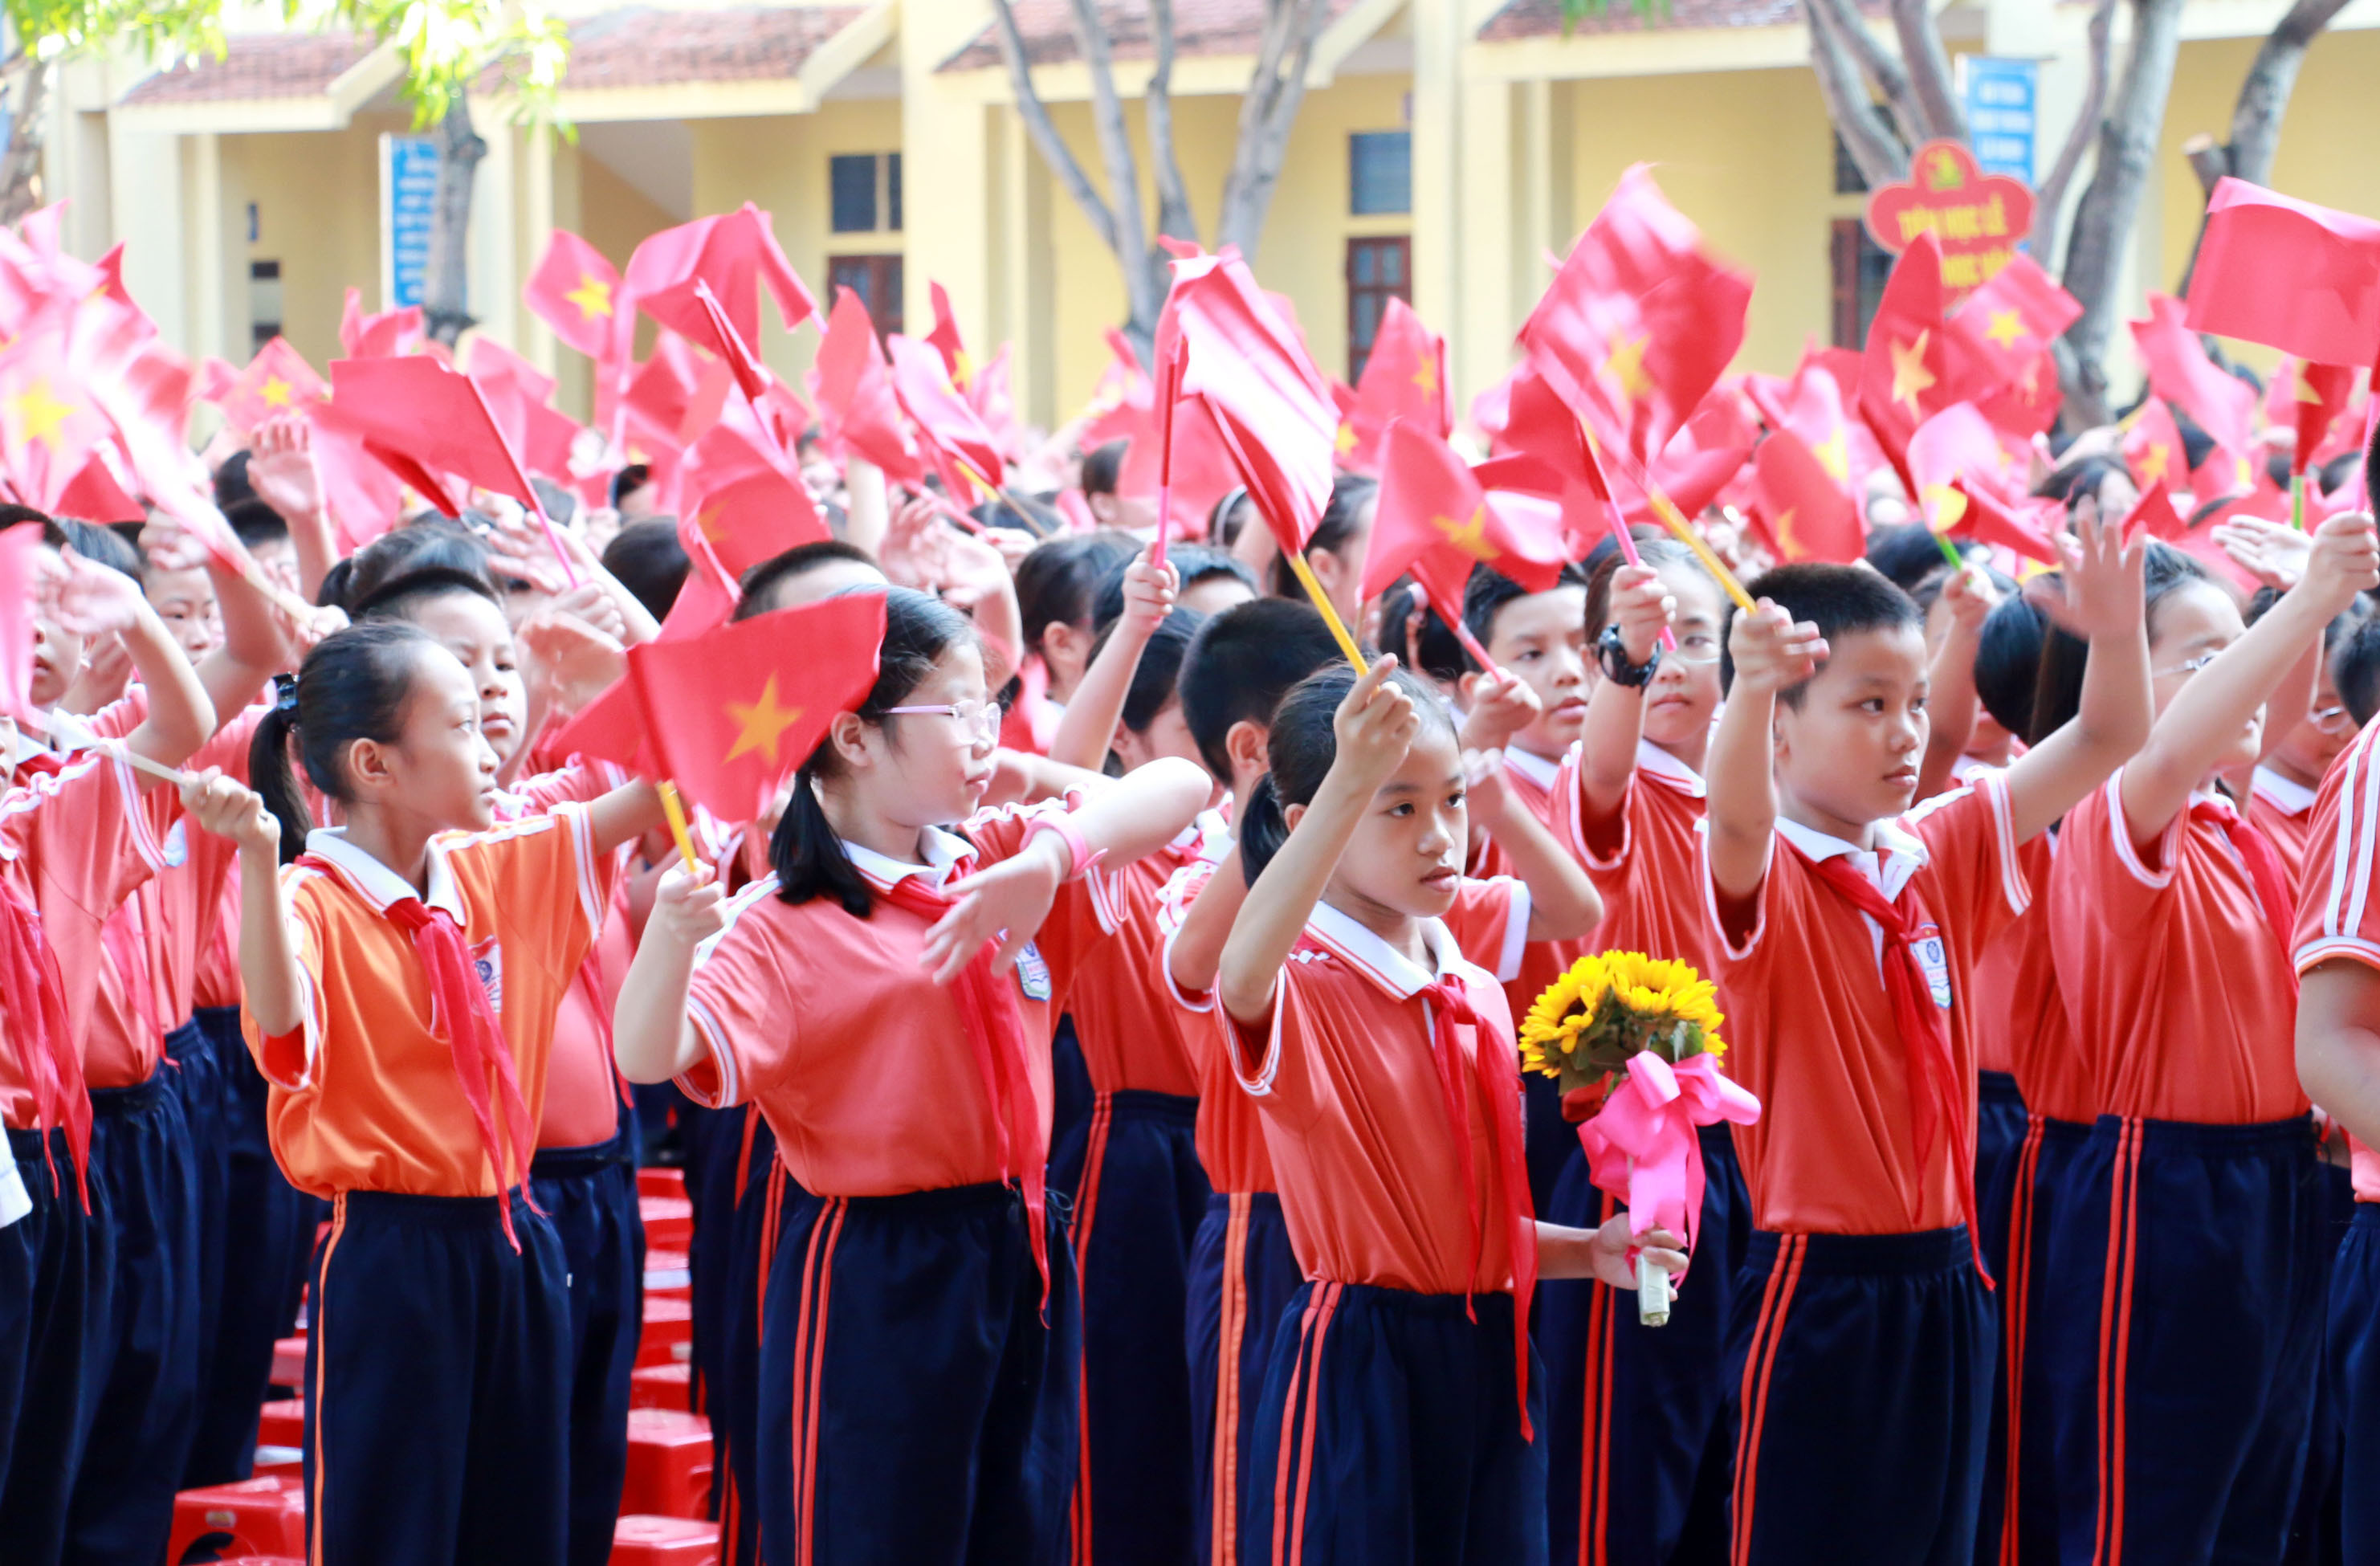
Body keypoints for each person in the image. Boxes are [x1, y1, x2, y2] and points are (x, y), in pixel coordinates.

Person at [613, 587, 1210, 1563]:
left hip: (1016, 1238)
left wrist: (1047, 843)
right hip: (876, 1268)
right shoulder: (784, 921)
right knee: (877, 1532)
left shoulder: (996, 863)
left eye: (992, 706)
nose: (984, 734)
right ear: (853, 738)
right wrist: (669, 944)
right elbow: (652, 1056)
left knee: (1016, 1523)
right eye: (959, 712)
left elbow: (1182, 790)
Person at [1702, 503, 2149, 1566]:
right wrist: (1751, 678)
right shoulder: (1765, 876)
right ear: (1778, 726)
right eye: (1869, 704)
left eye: (1913, 702)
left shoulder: (1933, 849)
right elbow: (1732, 817)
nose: (1907, 732)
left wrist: (2117, 629)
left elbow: (2108, 739)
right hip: (1816, 1286)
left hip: (1949, 1272)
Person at [185, 619, 664, 1566]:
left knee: (523, 1519)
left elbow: (671, 777)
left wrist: (659, 669)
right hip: (392, 1255)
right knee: (391, 1527)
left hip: (515, 1233)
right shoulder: (308, 901)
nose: (494, 753)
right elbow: (279, 1016)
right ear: (374, 763)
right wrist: (255, 858)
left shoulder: (499, 864)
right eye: (461, 728)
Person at [1214, 659, 1669, 1564]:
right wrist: (1347, 780)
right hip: (1362, 1368)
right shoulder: (1304, 982)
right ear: (1316, 824)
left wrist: (1590, 1252)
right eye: (1399, 807)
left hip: (1490, 1347)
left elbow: (1462, 1228)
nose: (1440, 838)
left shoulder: (1467, 984)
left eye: (1453, 801)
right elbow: (1238, 976)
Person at [2039, 516, 2378, 1566]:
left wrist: (2310, 606)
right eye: (2205, 652)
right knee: (2154, 1511)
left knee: (2261, 1501)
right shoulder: (2115, 816)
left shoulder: (2246, 821)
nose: (2240, 670)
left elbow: (2261, 722)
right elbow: (2179, 738)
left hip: (2279, 1182)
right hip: (2168, 1191)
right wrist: (2312, 602)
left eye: (2243, 641)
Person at [0, 535, 217, 1560]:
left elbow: (186, 723)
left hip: (47, 1154)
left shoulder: (54, 794)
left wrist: (133, 613)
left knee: (44, 1454)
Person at [1540, 536, 1748, 1566]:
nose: (1671, 663)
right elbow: (1605, 761)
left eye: (1694, 640)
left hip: (1745, 1154)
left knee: (1722, 1457)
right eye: (1641, 647)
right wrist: (1626, 650)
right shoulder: (1602, 790)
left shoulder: (1752, 801)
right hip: (1634, 1162)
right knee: (1626, 1469)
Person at [1165, 597, 1347, 1564]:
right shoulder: (1207, 870)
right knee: (1254, 1500)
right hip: (1266, 1220)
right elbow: (1202, 965)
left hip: (1369, 1245)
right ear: (1256, 751)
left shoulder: (1391, 869)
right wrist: (1287, 802)